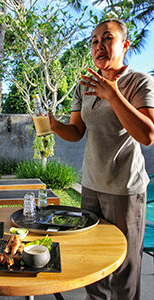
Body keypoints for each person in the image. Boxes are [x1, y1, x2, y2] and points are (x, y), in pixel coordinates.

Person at [49, 19, 154, 300]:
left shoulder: (139, 81)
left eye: (107, 38)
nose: (99, 45)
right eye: (94, 41)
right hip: (91, 187)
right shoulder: (85, 85)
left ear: (124, 45)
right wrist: (54, 126)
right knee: (93, 266)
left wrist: (113, 93)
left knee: (124, 274)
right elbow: (77, 131)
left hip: (124, 191)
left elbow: (147, 134)